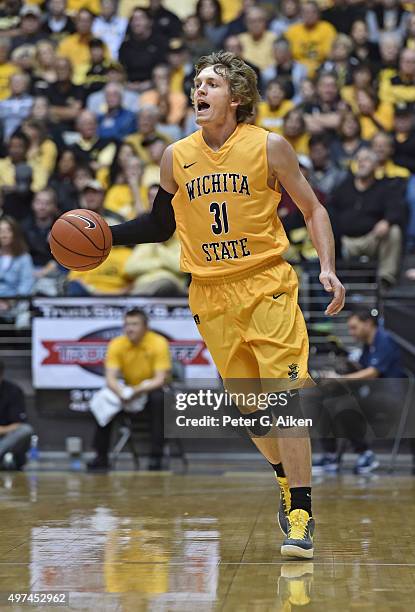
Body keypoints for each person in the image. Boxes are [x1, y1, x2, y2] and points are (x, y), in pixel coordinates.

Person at [107, 51, 346, 559]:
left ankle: (300, 513)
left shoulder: (269, 146)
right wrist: (106, 236)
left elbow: (313, 207)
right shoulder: (176, 156)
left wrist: (327, 266)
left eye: (210, 83)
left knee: (284, 399)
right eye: (196, 82)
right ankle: (285, 476)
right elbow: (159, 225)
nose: (199, 89)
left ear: (235, 97)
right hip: (209, 292)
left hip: (266, 284)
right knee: (250, 411)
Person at [313, 308, 406, 474]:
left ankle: (365, 454)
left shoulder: (384, 340)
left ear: (368, 324)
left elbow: (372, 372)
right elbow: (361, 367)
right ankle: (330, 456)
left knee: (343, 405)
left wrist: (340, 379)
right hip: (371, 394)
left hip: (390, 398)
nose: (351, 332)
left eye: (354, 327)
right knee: (324, 402)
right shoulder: (367, 346)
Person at [87, 308, 171, 471]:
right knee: (102, 400)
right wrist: (121, 393)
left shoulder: (158, 343)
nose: (130, 328)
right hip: (127, 389)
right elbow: (110, 378)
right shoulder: (117, 344)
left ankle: (156, 456)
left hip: (150, 388)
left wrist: (136, 392)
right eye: (127, 324)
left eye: (134, 324)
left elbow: (160, 379)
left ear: (146, 327)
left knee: (158, 399)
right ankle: (101, 456)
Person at [329, 147, 405, 289]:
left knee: (394, 231)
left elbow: (397, 209)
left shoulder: (384, 187)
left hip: (371, 239)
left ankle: (385, 279)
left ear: (376, 166)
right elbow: (330, 209)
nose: (361, 163)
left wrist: (387, 221)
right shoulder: (343, 187)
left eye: (367, 160)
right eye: (359, 159)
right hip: (346, 242)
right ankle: (332, 279)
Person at [0, 359, 34, 470]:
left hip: (7, 437)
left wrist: (2, 430)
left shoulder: (13, 391)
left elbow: (18, 424)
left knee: (25, 430)